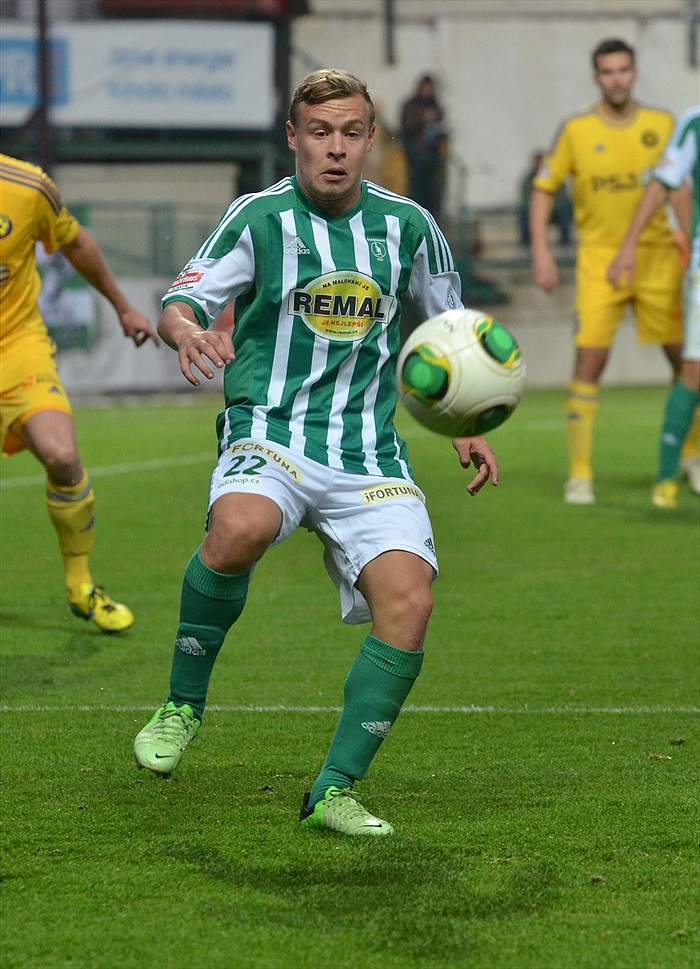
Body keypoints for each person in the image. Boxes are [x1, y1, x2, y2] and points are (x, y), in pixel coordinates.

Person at [133, 69, 499, 837]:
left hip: (368, 451)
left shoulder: (409, 226)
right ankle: (181, 705)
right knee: (238, 529)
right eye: (321, 133)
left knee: (411, 602)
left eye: (352, 133)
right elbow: (180, 301)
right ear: (294, 138)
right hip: (271, 428)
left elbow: (451, 334)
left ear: (371, 138)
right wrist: (190, 331)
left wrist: (465, 415)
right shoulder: (260, 217)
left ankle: (333, 789)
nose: (336, 149)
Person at [530, 38, 698, 505]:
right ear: (596, 77)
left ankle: (692, 456)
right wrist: (542, 251)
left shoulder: (663, 125)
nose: (617, 78)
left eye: (624, 69)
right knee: (590, 360)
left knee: (686, 361)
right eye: (608, 71)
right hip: (601, 260)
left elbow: (682, 184)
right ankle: (580, 473)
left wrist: (690, 235)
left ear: (635, 73)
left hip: (661, 257)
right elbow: (544, 189)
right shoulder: (577, 129)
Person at [0, 154, 160, 631]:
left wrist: (123, 307)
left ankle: (81, 586)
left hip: (16, 349)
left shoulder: (28, 187)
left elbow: (75, 242)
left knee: (63, 456)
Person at [608, 106, 700, 508]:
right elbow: (667, 182)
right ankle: (666, 477)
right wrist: (629, 244)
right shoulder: (695, 122)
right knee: (694, 369)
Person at [400, 74, 449, 223]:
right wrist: (423, 118)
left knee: (434, 190)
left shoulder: (435, 105)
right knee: (418, 190)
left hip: (433, 154)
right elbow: (407, 126)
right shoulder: (411, 106)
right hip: (417, 154)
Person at [518, 151, 573, 248]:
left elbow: (563, 198)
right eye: (538, 162)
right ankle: (526, 245)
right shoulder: (529, 178)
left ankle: (565, 243)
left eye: (542, 163)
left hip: (554, 211)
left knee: (564, 214)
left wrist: (549, 207)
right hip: (535, 211)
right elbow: (525, 199)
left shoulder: (555, 176)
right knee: (524, 216)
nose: (540, 165)